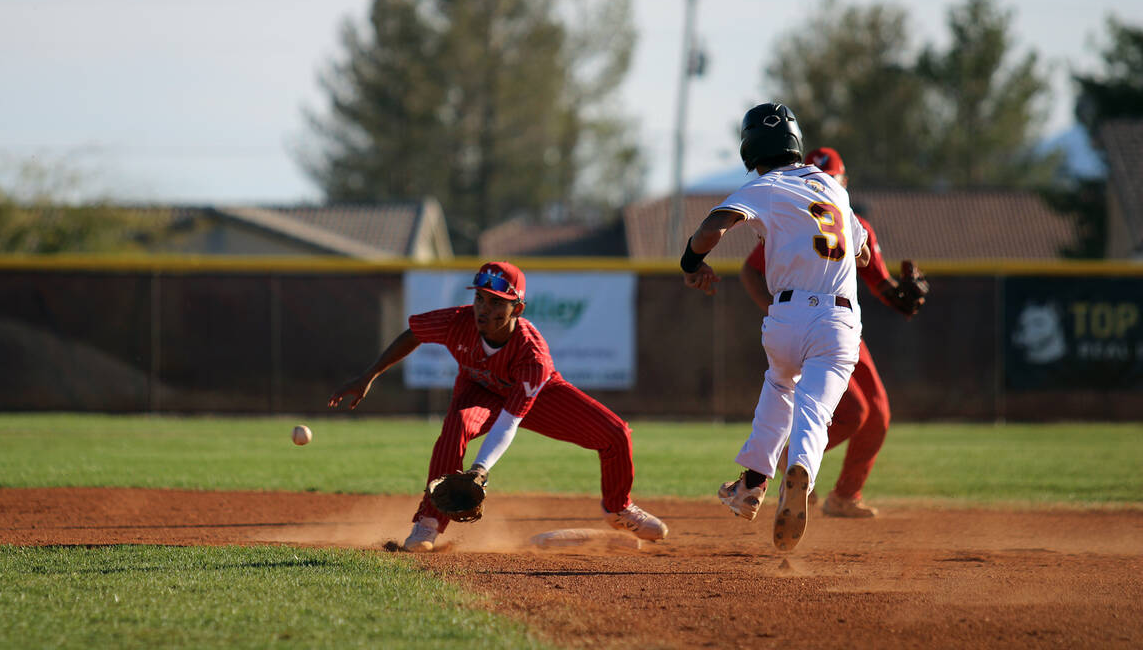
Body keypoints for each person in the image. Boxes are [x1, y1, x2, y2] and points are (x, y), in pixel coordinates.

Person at [329, 261, 669, 552]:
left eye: (496, 303)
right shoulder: (457, 322)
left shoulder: (532, 354)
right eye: (479, 298)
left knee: (615, 433)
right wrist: (368, 375)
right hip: (479, 391)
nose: (483, 309)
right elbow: (413, 333)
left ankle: (618, 509)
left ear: (516, 310)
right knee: (457, 427)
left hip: (538, 396)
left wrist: (479, 469)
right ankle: (429, 522)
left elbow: (509, 422)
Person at [680, 103, 870, 552]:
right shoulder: (831, 186)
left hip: (785, 316)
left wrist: (691, 263)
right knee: (815, 411)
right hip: (838, 318)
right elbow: (859, 252)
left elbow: (713, 227)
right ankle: (799, 471)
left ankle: (750, 485)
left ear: (750, 148)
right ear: (796, 144)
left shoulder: (764, 186)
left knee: (780, 385)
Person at [740, 146, 920, 519]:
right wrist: (777, 311)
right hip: (810, 324)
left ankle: (844, 496)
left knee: (878, 414)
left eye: (833, 180)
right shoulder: (795, 216)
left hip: (841, 326)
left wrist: (901, 298)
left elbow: (879, 282)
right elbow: (750, 270)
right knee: (853, 412)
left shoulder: (853, 223)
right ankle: (794, 464)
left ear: (843, 183)